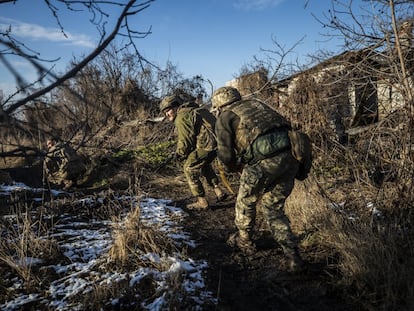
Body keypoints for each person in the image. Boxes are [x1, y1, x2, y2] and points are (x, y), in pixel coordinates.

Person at [211, 86, 304, 271]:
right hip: (292, 156)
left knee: (245, 201)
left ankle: (244, 240)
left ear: (219, 105)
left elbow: (225, 155)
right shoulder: (257, 104)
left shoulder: (225, 116)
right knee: (273, 207)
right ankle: (293, 255)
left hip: (264, 161)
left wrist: (233, 167)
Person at [160, 94, 226, 210]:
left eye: (168, 110)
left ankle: (202, 201)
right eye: (164, 112)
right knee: (202, 163)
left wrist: (179, 155)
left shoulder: (181, 117)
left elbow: (186, 143)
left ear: (176, 107)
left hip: (207, 146)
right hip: (218, 145)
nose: (167, 114)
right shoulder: (195, 110)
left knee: (189, 168)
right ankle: (218, 191)